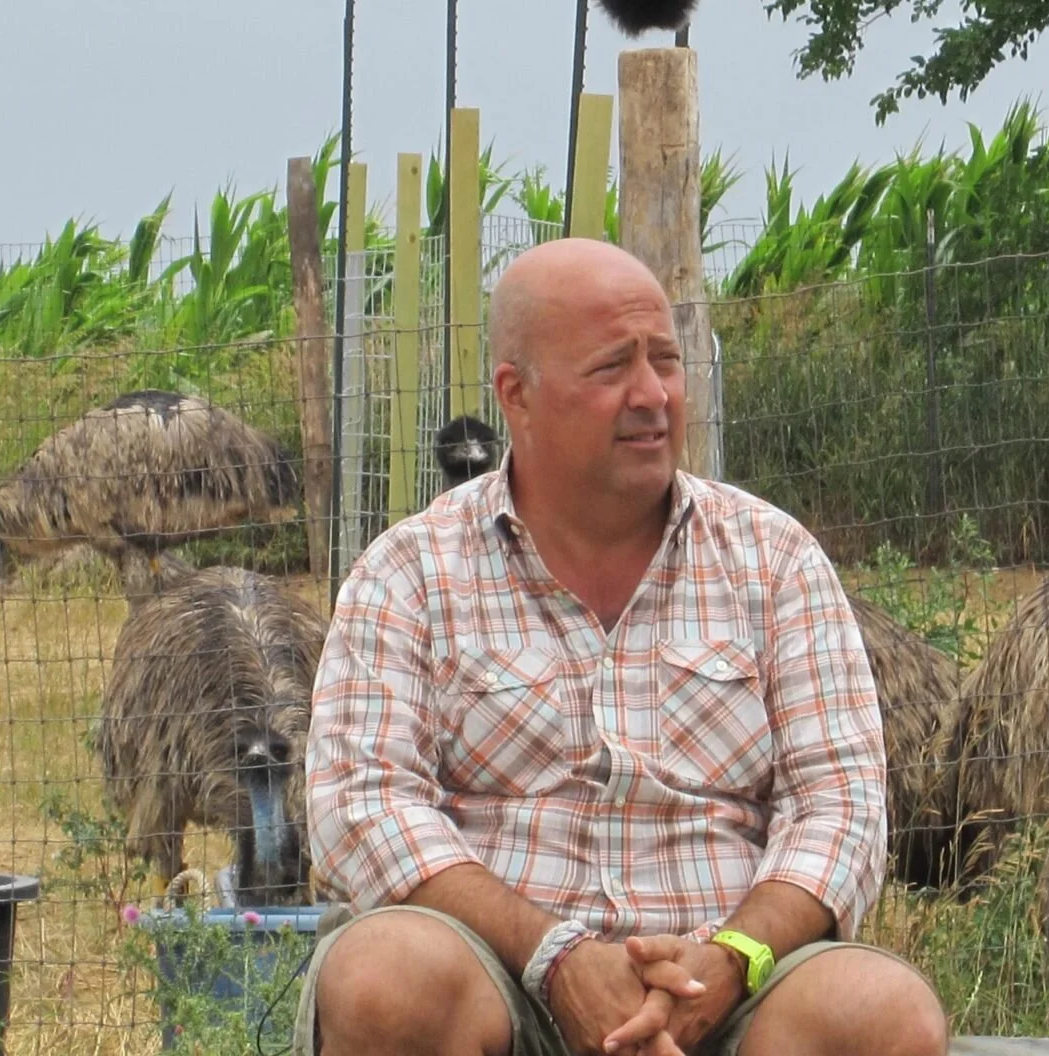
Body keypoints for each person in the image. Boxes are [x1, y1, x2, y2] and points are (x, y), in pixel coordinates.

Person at [293, 236, 949, 1056]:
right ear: (517, 396)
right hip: (502, 986)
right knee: (385, 978)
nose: (653, 395)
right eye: (612, 369)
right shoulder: (411, 572)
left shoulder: (774, 560)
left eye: (666, 362)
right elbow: (364, 804)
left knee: (881, 1012)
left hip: (731, 987)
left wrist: (732, 960)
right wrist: (553, 957)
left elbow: (840, 807)